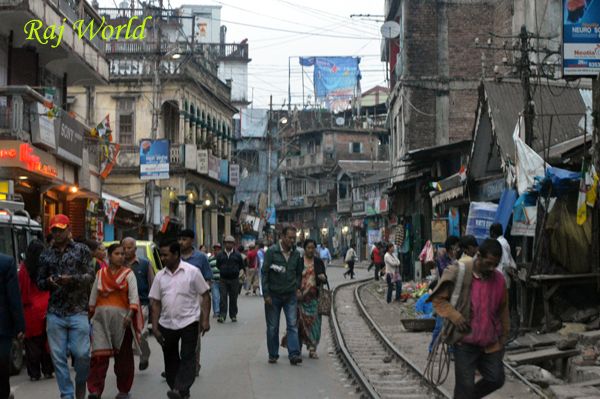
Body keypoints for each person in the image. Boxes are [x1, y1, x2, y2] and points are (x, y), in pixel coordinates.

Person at [429, 239, 509, 399]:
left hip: (490, 343)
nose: (492, 268)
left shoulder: (499, 280)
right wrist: (455, 316)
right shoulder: (460, 272)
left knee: (496, 378)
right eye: (489, 263)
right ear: (478, 255)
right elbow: (438, 300)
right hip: (464, 342)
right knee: (465, 385)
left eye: (496, 264)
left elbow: (503, 311)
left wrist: (503, 338)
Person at [38, 214, 93, 399]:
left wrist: (71, 280)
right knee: (58, 357)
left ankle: (80, 382)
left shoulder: (82, 250)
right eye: (54, 230)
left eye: (61, 230)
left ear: (69, 229)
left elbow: (90, 277)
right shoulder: (45, 254)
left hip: (78, 310)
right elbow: (39, 282)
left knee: (82, 354)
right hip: (55, 312)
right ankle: (67, 394)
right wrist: (49, 281)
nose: (58, 233)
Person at [150, 241, 211, 399]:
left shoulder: (192, 272)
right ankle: (178, 389)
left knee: (187, 355)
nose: (163, 258)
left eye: (166, 255)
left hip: (189, 321)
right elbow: (155, 302)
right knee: (170, 357)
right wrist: (155, 327)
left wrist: (205, 320)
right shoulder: (159, 276)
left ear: (176, 255)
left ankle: (179, 388)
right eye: (161, 255)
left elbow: (205, 294)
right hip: (167, 323)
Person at [87, 243, 143, 399]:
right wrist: (89, 316)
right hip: (100, 321)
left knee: (123, 358)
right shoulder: (100, 274)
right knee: (98, 357)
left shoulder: (128, 274)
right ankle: (95, 390)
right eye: (117, 253)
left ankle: (124, 390)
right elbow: (93, 298)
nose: (121, 256)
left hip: (122, 322)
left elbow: (134, 297)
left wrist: (130, 316)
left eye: (122, 254)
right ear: (109, 256)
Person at [262, 226, 303, 365]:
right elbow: (264, 272)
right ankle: (273, 354)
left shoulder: (296, 254)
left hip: (290, 295)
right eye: (290, 237)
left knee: (292, 325)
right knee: (273, 327)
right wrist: (266, 294)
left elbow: (299, 273)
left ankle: (294, 354)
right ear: (283, 237)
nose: (292, 240)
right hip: (273, 295)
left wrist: (297, 287)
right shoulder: (272, 252)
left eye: (294, 238)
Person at [17, 240, 53, 381]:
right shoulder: (46, 266)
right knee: (47, 341)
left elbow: (22, 292)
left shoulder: (24, 269)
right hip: (47, 306)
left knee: (32, 343)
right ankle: (48, 370)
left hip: (30, 311)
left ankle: (34, 373)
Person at [177, 229, 212, 376]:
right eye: (180, 239)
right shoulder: (175, 256)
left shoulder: (201, 258)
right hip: (176, 300)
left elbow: (207, 280)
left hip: (196, 300)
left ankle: (193, 364)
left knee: (193, 336)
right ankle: (177, 365)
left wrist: (205, 309)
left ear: (192, 240)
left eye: (184, 239)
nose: (181, 242)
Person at [121, 237, 154, 371]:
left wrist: (153, 304)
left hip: (142, 304)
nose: (126, 250)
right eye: (124, 248)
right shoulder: (119, 265)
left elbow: (152, 284)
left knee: (142, 333)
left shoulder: (145, 264)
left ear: (135, 249)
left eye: (130, 248)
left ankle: (144, 356)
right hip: (123, 305)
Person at [297, 239, 327, 359]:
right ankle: (297, 347)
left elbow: (324, 277)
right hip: (301, 298)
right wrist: (297, 290)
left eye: (312, 248)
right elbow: (295, 277)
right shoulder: (299, 262)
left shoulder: (318, 262)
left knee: (315, 324)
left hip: (314, 297)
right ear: (305, 249)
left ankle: (312, 348)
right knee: (300, 323)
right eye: (308, 248)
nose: (310, 250)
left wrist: (323, 277)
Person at [1, 252, 25, 399]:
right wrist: (19, 327)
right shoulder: (6, 262)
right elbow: (14, 297)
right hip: (2, 327)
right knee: (2, 366)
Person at [215, 236, 245, 323]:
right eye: (227, 242)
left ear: (233, 244)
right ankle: (222, 315)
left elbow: (241, 265)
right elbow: (218, 265)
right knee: (223, 298)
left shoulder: (237, 255)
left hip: (234, 279)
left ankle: (233, 315)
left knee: (233, 298)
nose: (229, 244)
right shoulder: (220, 254)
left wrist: (236, 272)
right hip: (223, 279)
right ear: (224, 244)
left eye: (230, 243)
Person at [209, 243, 221, 318]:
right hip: (214, 281)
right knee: (215, 297)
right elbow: (208, 269)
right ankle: (216, 312)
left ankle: (222, 311)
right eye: (215, 249)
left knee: (222, 297)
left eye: (218, 249)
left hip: (222, 281)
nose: (216, 251)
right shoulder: (210, 258)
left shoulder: (223, 257)